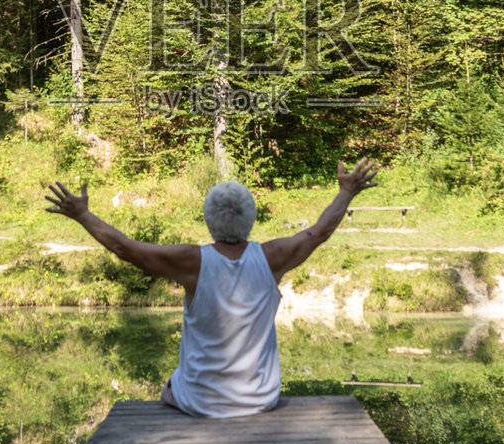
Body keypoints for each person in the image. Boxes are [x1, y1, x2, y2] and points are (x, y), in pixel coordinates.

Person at [42, 158, 379, 417]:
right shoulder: (271, 257)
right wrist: (347, 191)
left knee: (170, 386)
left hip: (202, 404)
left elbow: (127, 249)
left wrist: (83, 215)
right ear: (251, 217)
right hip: (261, 399)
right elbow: (318, 232)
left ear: (208, 219)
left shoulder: (194, 262)